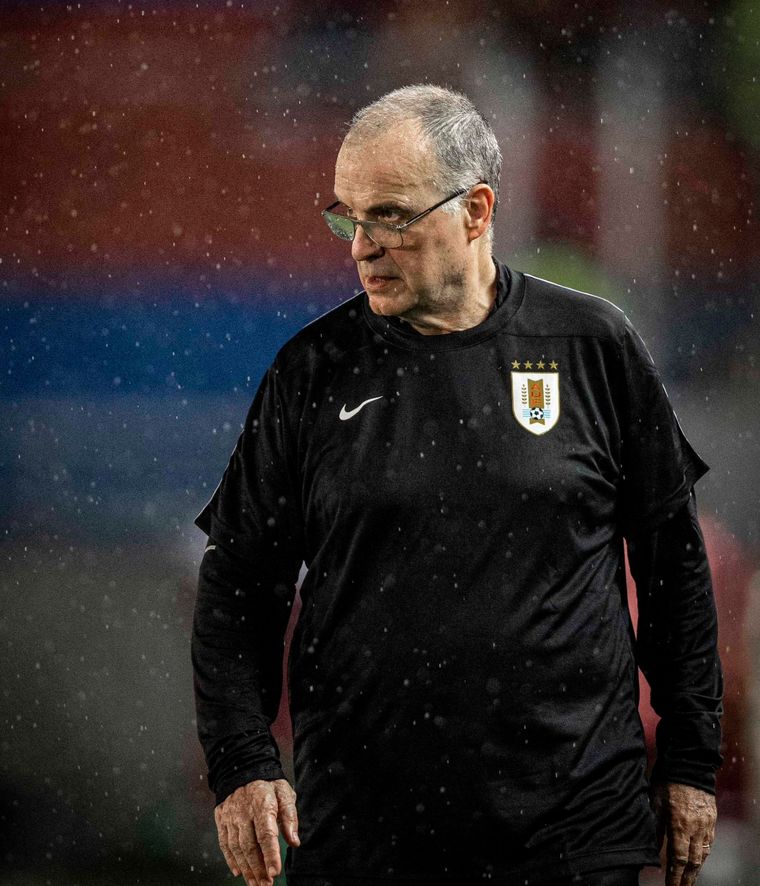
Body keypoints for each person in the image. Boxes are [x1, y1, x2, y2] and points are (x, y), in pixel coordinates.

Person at [191, 85, 723, 886]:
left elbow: (673, 566)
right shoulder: (311, 370)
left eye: (391, 216)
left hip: (575, 829)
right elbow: (239, 584)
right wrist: (241, 762)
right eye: (347, 216)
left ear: (476, 211)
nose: (360, 246)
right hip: (367, 834)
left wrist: (690, 760)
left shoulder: (593, 346)